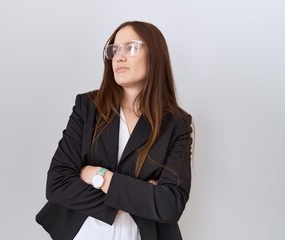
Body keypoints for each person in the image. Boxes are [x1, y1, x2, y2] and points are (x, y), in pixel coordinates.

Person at [36, 21, 193, 240]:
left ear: (155, 55)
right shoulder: (88, 107)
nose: (119, 57)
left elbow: (170, 204)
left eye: (131, 48)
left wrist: (99, 176)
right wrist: (141, 195)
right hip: (84, 233)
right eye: (114, 49)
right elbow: (57, 184)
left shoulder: (177, 124)